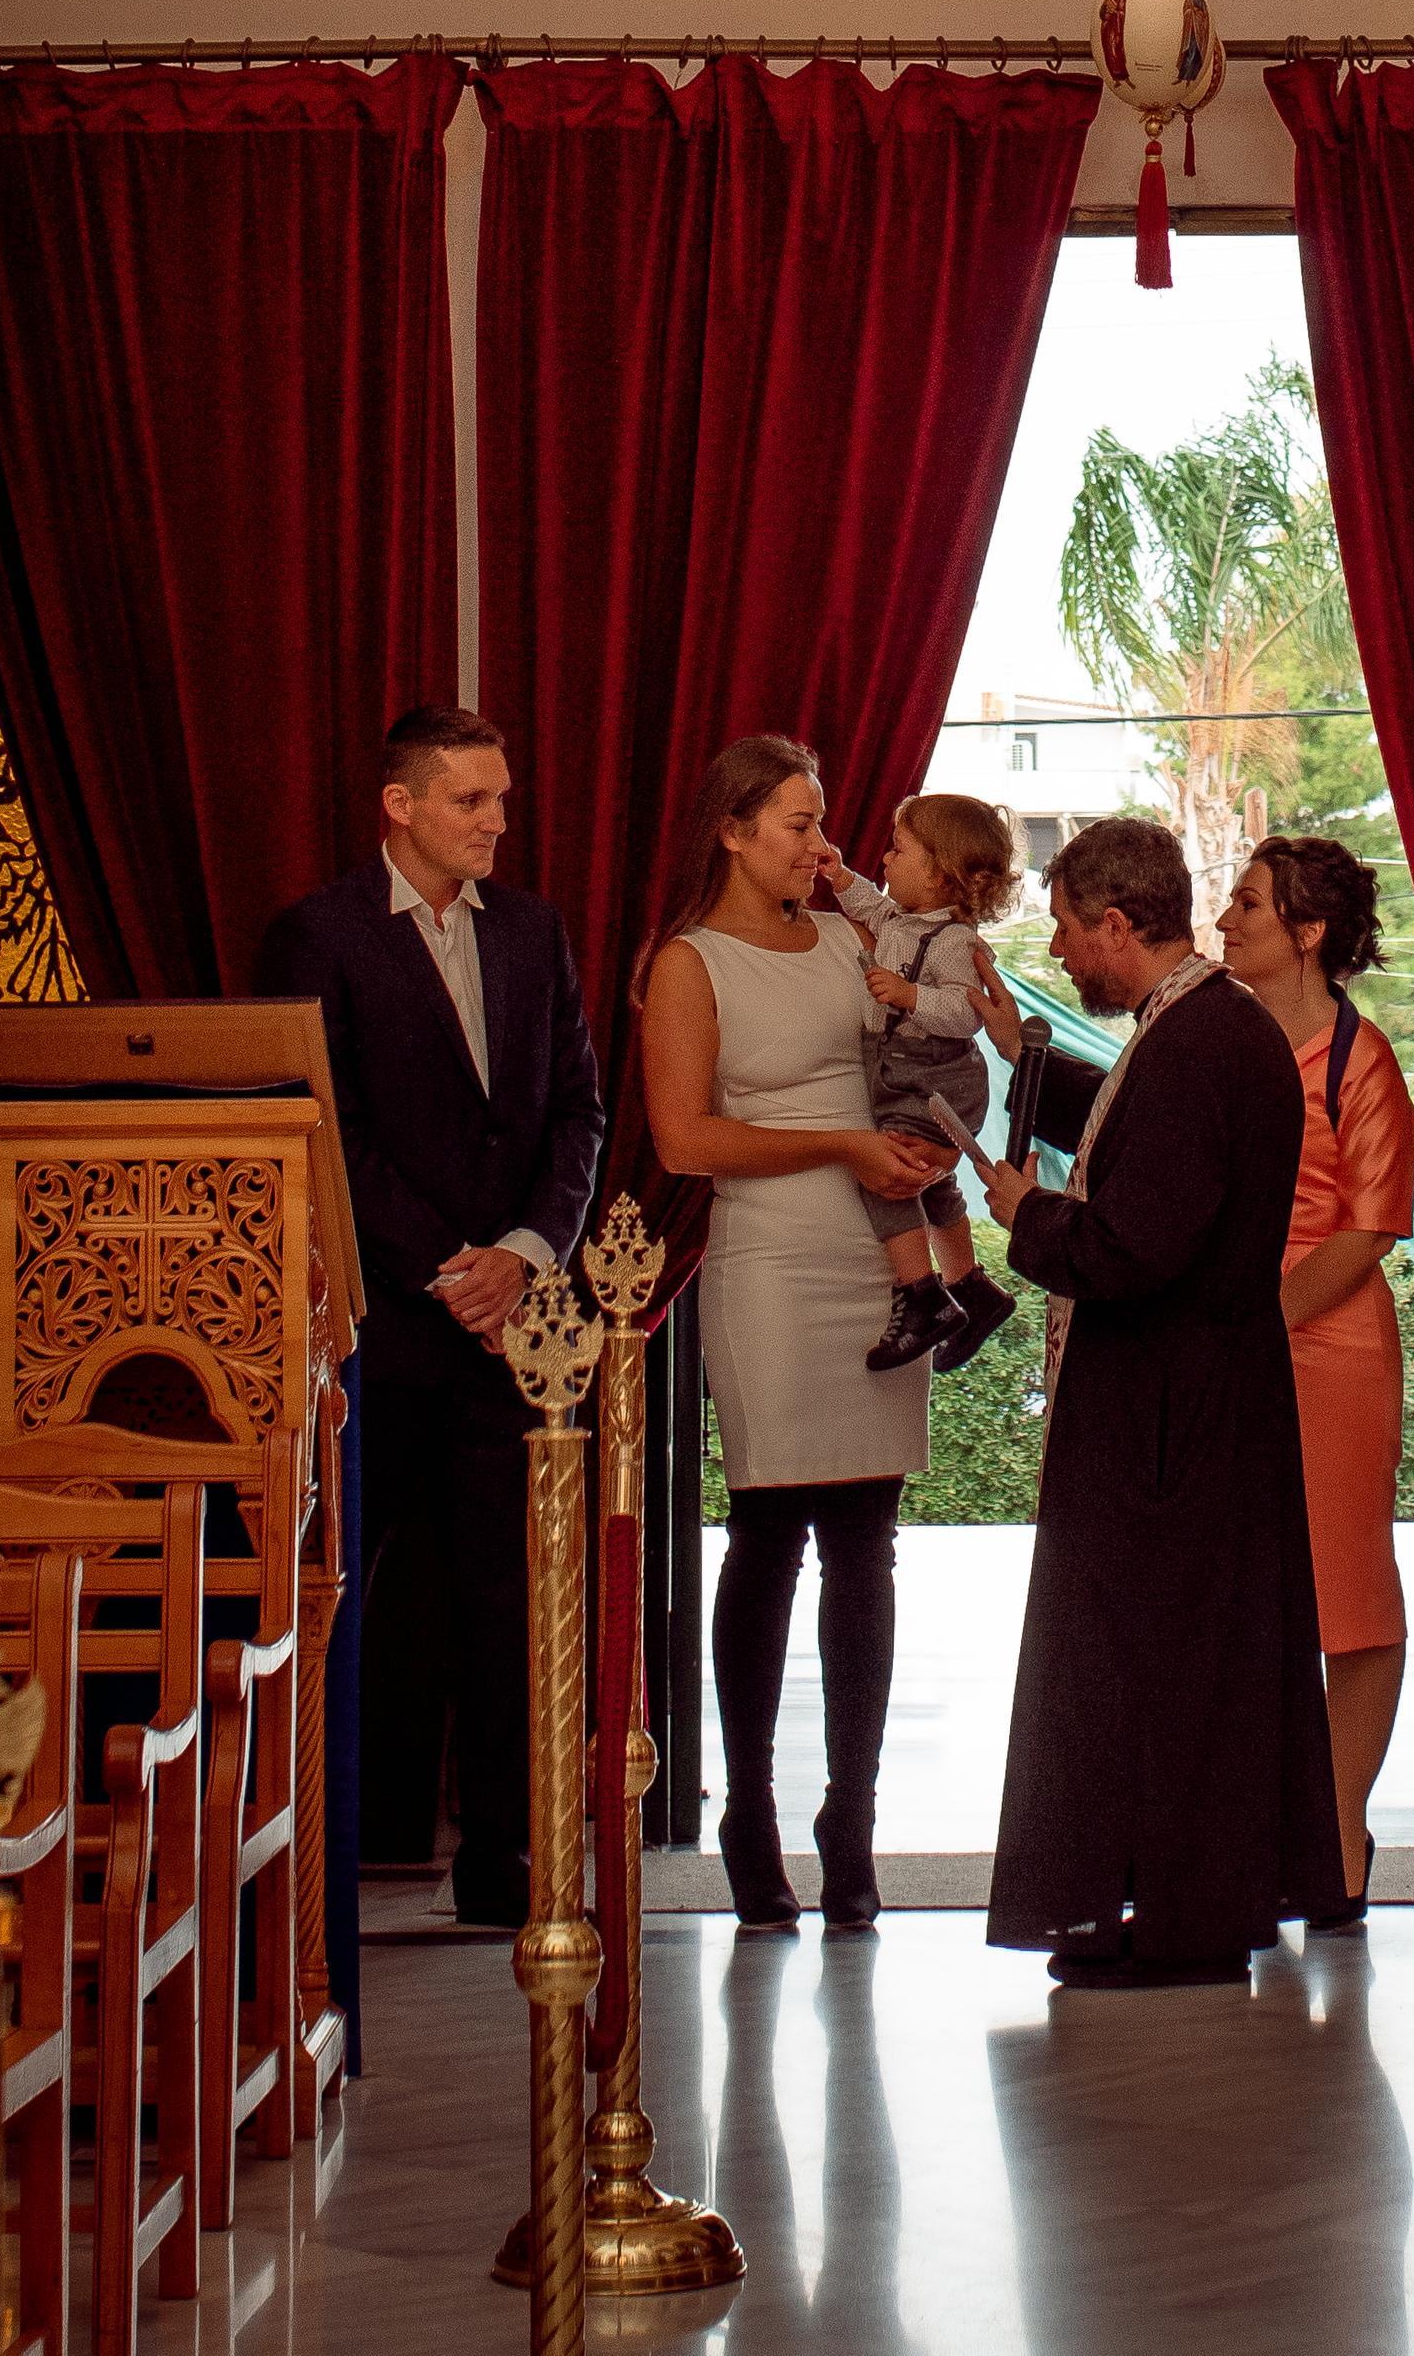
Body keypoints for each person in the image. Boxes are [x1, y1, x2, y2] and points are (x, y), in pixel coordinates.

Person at [977, 813, 1342, 1988]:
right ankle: (1186, 1902)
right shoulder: (1200, 1027)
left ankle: (1180, 1921)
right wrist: (1024, 1060)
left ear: (1118, 923)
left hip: (1170, 1417)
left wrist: (1025, 1218)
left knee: (1162, 1668)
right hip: (1199, 1401)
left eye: (1072, 931)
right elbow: (1139, 1136)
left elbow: (1137, 1243)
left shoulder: (1196, 1041)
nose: (1066, 953)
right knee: (1191, 1663)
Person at [257, 701, 603, 1931]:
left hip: (513, 1331)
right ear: (400, 804)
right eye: (471, 799)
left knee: (510, 1605)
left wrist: (519, 1256)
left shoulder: (532, 931)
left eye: (502, 797)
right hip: (380, 1334)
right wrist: (446, 1266)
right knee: (335, 1594)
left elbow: (578, 1115)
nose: (497, 821)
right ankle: (309, 1862)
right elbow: (324, 1132)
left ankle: (504, 1866)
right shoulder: (319, 935)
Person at [639, 733, 945, 1933]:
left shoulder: (848, 941)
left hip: (878, 1244)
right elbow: (682, 1141)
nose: (821, 845)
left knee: (867, 1539)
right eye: (797, 823)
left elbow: (915, 1052)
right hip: (767, 1257)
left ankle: (850, 1821)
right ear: (731, 829)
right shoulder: (687, 962)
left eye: (823, 822)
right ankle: (749, 1814)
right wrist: (837, 1143)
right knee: (766, 1530)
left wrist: (917, 1142)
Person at [1217, 834, 1414, 1924]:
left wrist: (1257, 1324)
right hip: (1233, 1341)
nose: (1223, 919)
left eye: (1246, 903)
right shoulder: (1215, 1034)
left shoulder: (1362, 1057)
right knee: (1243, 1595)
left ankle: (1338, 1833)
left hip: (1329, 1348)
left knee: (1349, 1595)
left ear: (1306, 932)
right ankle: (1260, 1828)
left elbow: (1372, 1227)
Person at [818, 796, 1021, 1377]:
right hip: (903, 1070)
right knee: (931, 1183)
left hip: (933, 1074)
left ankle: (922, 1295)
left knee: (890, 1177)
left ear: (937, 872)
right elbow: (868, 903)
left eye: (898, 850)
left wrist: (909, 997)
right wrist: (838, 875)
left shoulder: (956, 942)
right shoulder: (903, 919)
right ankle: (973, 1288)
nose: (884, 860)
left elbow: (964, 1014)